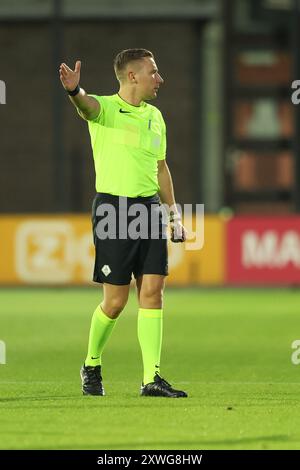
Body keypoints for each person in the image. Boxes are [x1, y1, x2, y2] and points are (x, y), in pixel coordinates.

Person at [59, 48, 188, 398]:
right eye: (153, 72)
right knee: (115, 302)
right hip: (113, 210)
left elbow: (161, 169)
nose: (159, 79)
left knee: (153, 292)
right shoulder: (105, 110)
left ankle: (151, 379)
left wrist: (174, 214)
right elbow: (85, 105)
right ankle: (92, 363)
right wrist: (74, 91)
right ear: (132, 76)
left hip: (148, 209)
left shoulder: (156, 117)